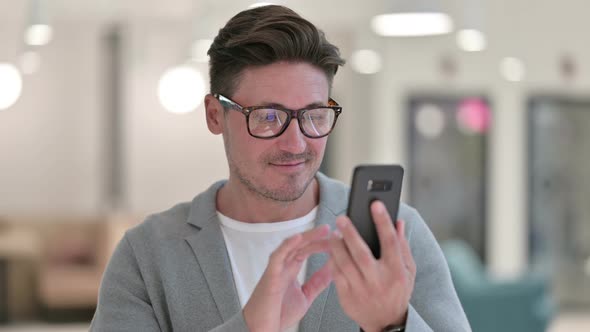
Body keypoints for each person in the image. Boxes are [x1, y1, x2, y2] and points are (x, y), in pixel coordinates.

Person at [90, 5, 470, 332]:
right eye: (269, 117)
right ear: (214, 114)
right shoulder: (147, 255)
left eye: (314, 116)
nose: (296, 143)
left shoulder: (396, 236)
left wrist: (392, 324)